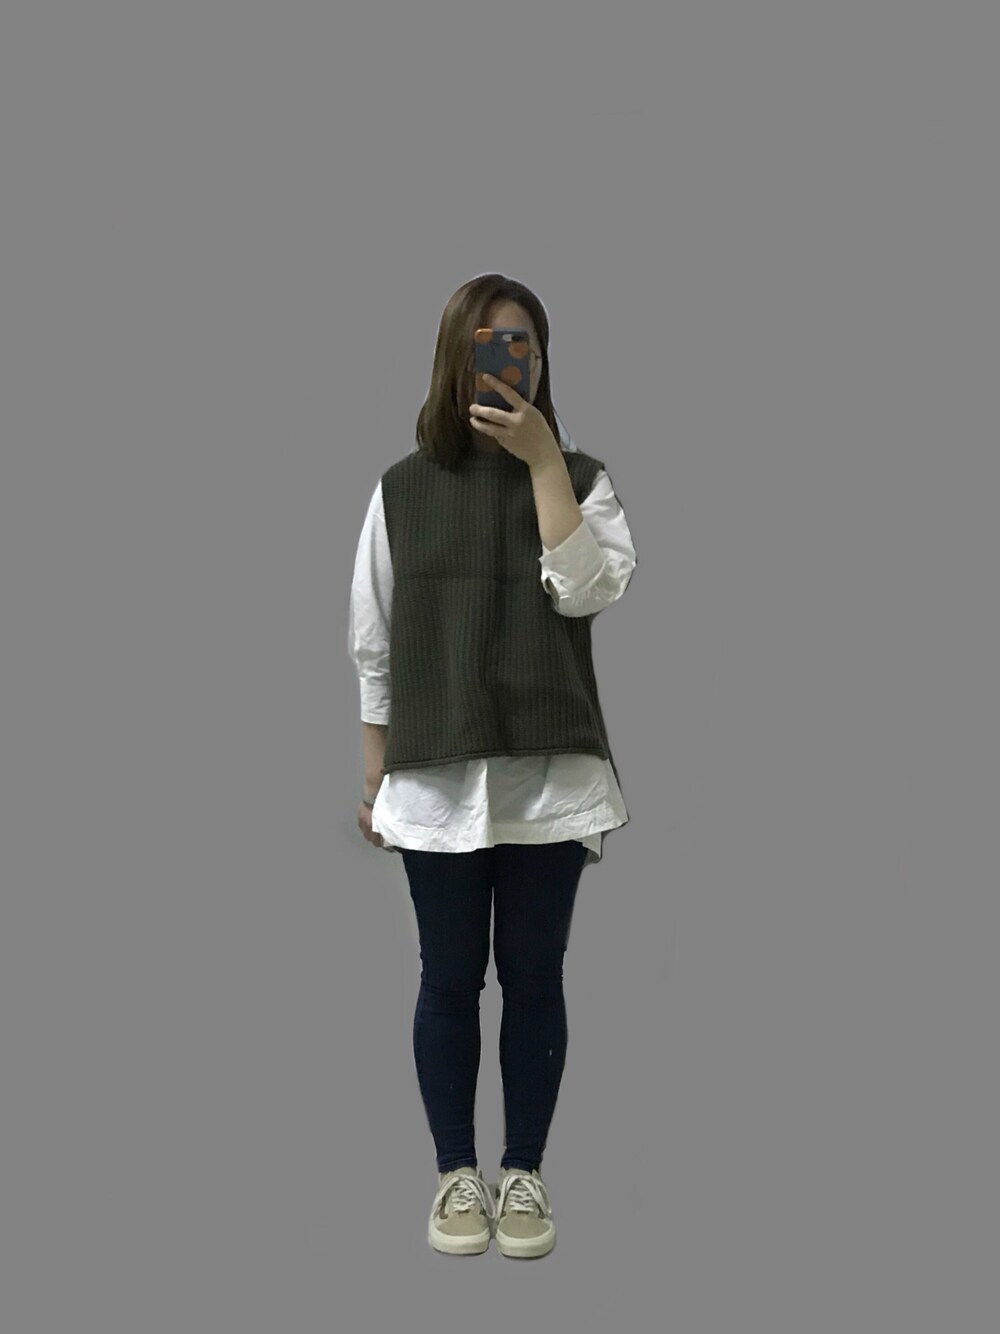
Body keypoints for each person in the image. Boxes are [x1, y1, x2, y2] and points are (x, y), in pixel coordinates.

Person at [348, 274, 637, 1258]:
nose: (509, 361)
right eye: (488, 344)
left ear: (543, 362)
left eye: (525, 346)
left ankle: (523, 1174)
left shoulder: (582, 476)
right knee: (447, 980)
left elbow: (587, 590)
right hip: (435, 781)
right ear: (453, 359)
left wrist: (545, 460)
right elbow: (373, 643)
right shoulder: (401, 488)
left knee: (534, 977)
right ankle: (454, 1177)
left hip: (549, 779)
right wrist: (375, 779)